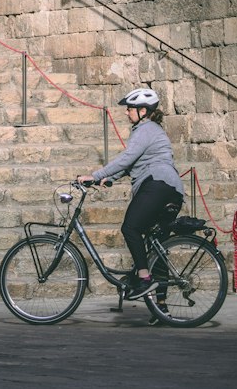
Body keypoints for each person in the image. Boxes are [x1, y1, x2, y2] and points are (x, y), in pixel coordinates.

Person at [77, 87, 184, 300]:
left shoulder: (146, 129)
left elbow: (127, 158)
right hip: (171, 189)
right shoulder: (150, 130)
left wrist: (96, 175)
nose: (127, 113)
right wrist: (111, 179)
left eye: (130, 109)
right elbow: (134, 163)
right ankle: (161, 306)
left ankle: (144, 278)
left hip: (157, 184)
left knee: (130, 227)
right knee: (156, 248)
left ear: (142, 111)